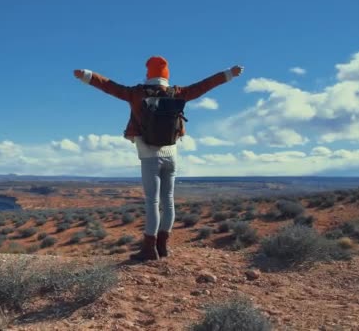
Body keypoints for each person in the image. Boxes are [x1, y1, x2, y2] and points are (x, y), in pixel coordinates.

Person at [74, 56, 243, 261]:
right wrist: (229, 74)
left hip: (149, 154)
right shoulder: (177, 93)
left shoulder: (136, 93)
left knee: (152, 201)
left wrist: (87, 76)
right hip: (171, 155)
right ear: (166, 75)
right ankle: (163, 246)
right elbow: (204, 85)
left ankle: (149, 248)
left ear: (148, 74)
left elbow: (110, 86)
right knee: (168, 201)